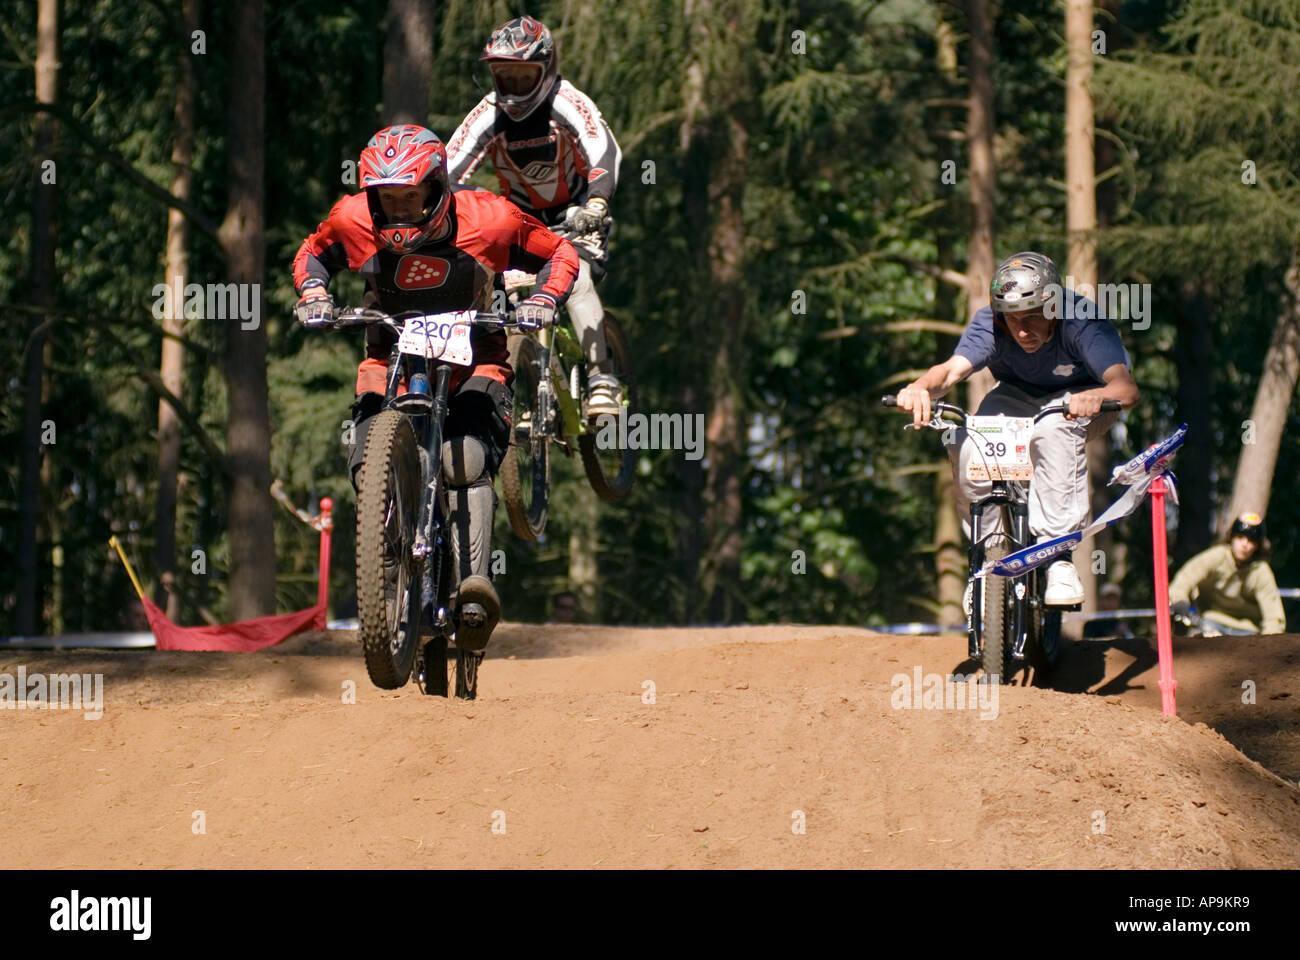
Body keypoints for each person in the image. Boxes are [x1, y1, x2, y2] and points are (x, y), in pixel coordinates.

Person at [291, 124, 579, 652]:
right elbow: (313, 252)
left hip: (478, 356)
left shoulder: (490, 219)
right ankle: (388, 575)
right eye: (387, 198)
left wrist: (544, 300)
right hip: (391, 354)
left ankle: (474, 586)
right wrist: (313, 291)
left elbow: (559, 253)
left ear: (436, 187)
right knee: (364, 459)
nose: (398, 211)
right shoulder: (353, 218)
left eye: (409, 196)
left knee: (464, 457)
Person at [895, 251, 1140, 606]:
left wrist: (1097, 397)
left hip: (1082, 399)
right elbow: (950, 371)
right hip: (1015, 396)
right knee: (967, 440)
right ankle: (988, 556)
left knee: (1053, 429)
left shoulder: (1082, 321)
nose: (1022, 330)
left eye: (1032, 317)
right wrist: (920, 387)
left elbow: (1126, 389)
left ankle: (1058, 559)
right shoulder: (991, 324)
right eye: (1012, 320)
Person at [446, 14, 624, 420]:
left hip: (577, 213)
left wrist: (597, 202)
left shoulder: (567, 102)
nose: (513, 89)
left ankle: (601, 379)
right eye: (504, 77)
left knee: (574, 275)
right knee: (494, 293)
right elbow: (447, 170)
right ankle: (514, 382)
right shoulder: (487, 114)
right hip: (522, 223)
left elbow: (603, 150)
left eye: (522, 77)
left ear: (546, 70)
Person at [1169, 513, 1286, 636]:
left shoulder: (1261, 571)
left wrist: (1269, 642)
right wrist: (1179, 601)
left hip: (1248, 632)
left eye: (1251, 540)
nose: (1244, 544)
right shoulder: (1217, 556)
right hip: (1210, 624)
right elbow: (1185, 578)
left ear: (1258, 546)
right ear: (1231, 538)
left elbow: (1274, 616)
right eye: (1240, 537)